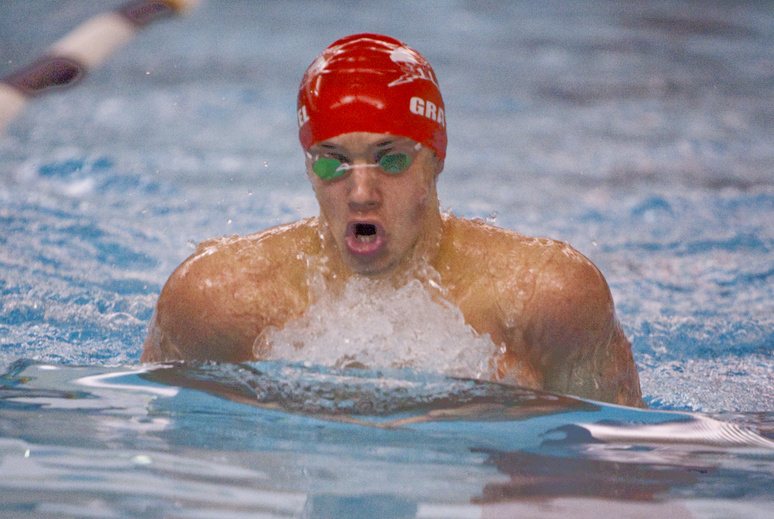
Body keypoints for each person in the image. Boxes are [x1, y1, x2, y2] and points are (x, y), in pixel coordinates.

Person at [141, 33, 644, 407]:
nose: (361, 194)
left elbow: (622, 465)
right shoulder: (216, 300)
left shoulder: (546, 297)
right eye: (331, 161)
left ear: (436, 158)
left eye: (392, 160)